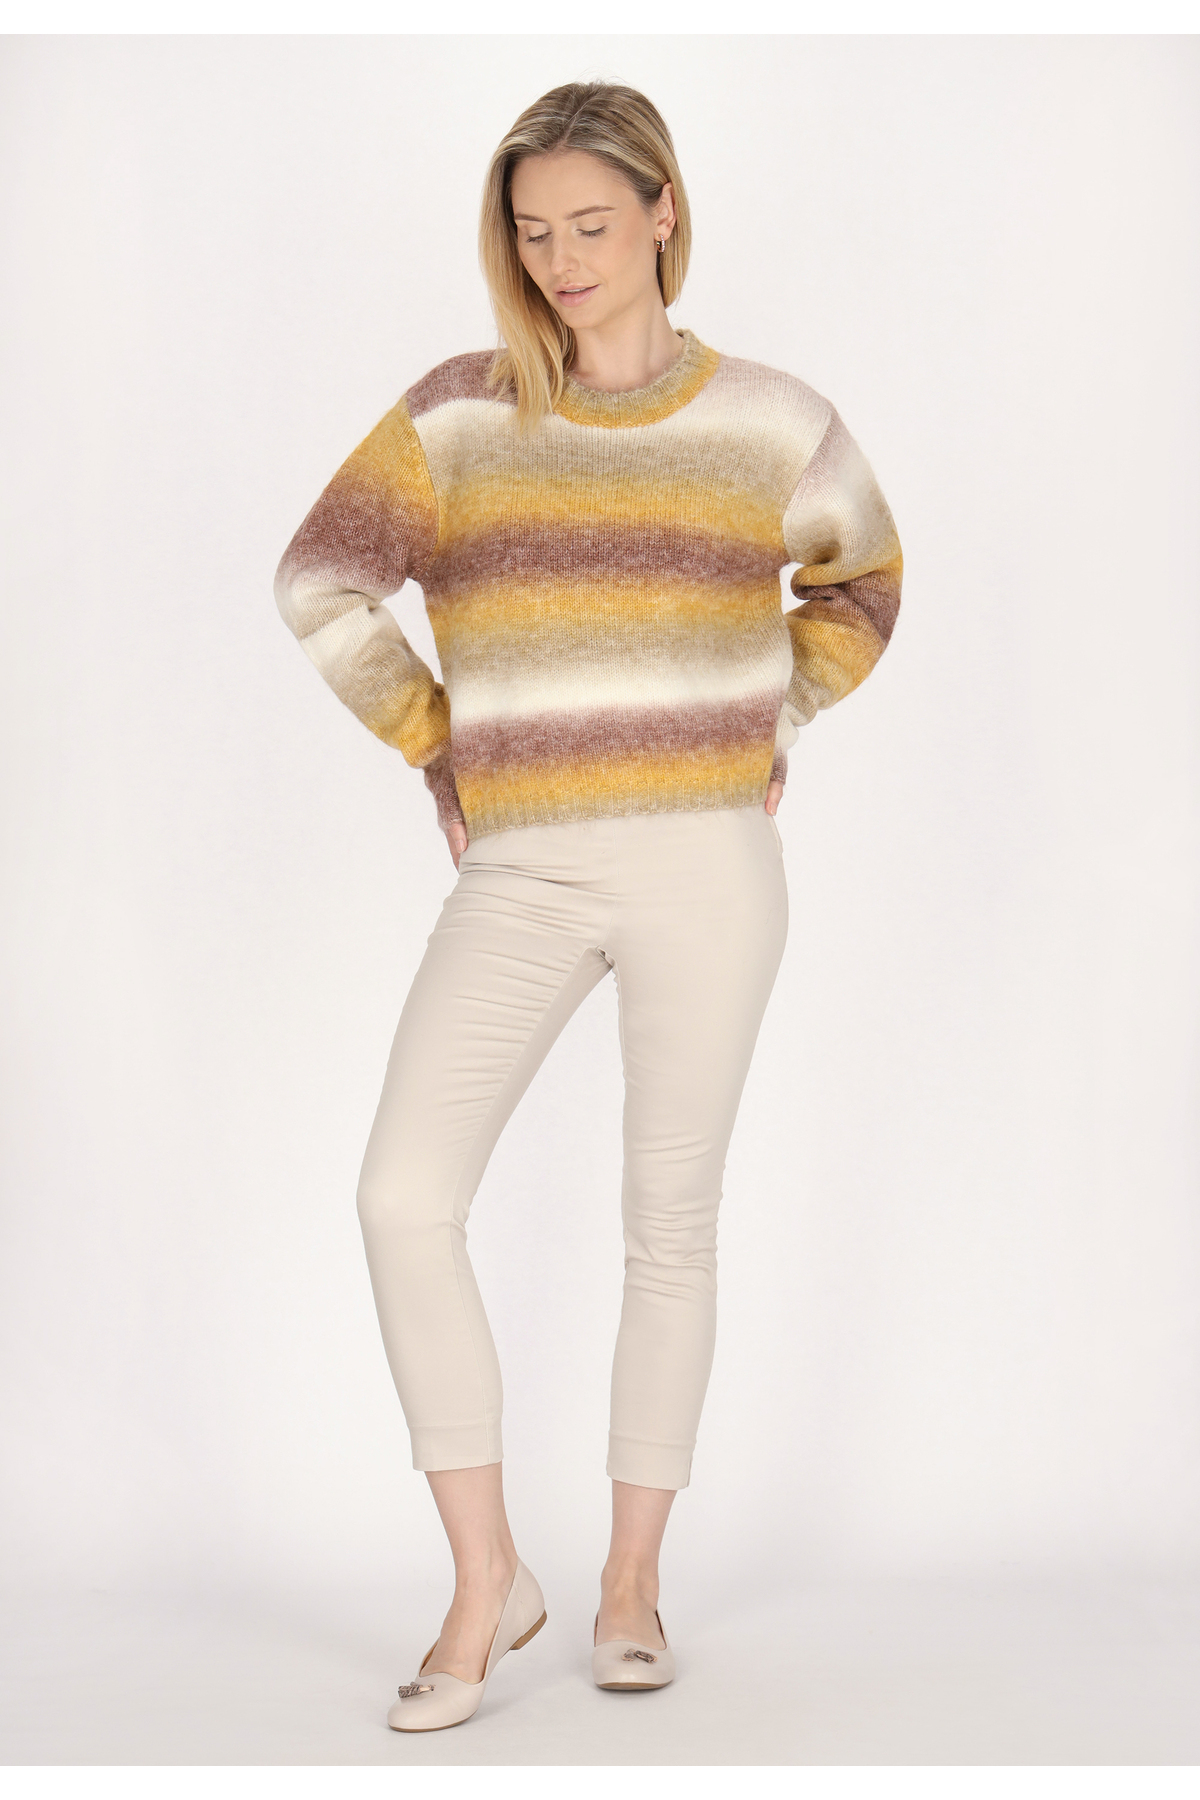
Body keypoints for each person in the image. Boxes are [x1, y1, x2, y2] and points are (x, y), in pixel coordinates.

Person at [273, 78, 902, 1733]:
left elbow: (863, 581)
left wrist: (767, 716)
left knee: (667, 1222)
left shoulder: (769, 421)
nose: (562, 260)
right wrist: (438, 744)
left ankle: (630, 1583)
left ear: (664, 214)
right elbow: (319, 581)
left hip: (708, 857)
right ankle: (489, 1579)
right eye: (535, 231)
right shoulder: (458, 418)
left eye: (594, 226)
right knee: (404, 1196)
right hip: (528, 862)